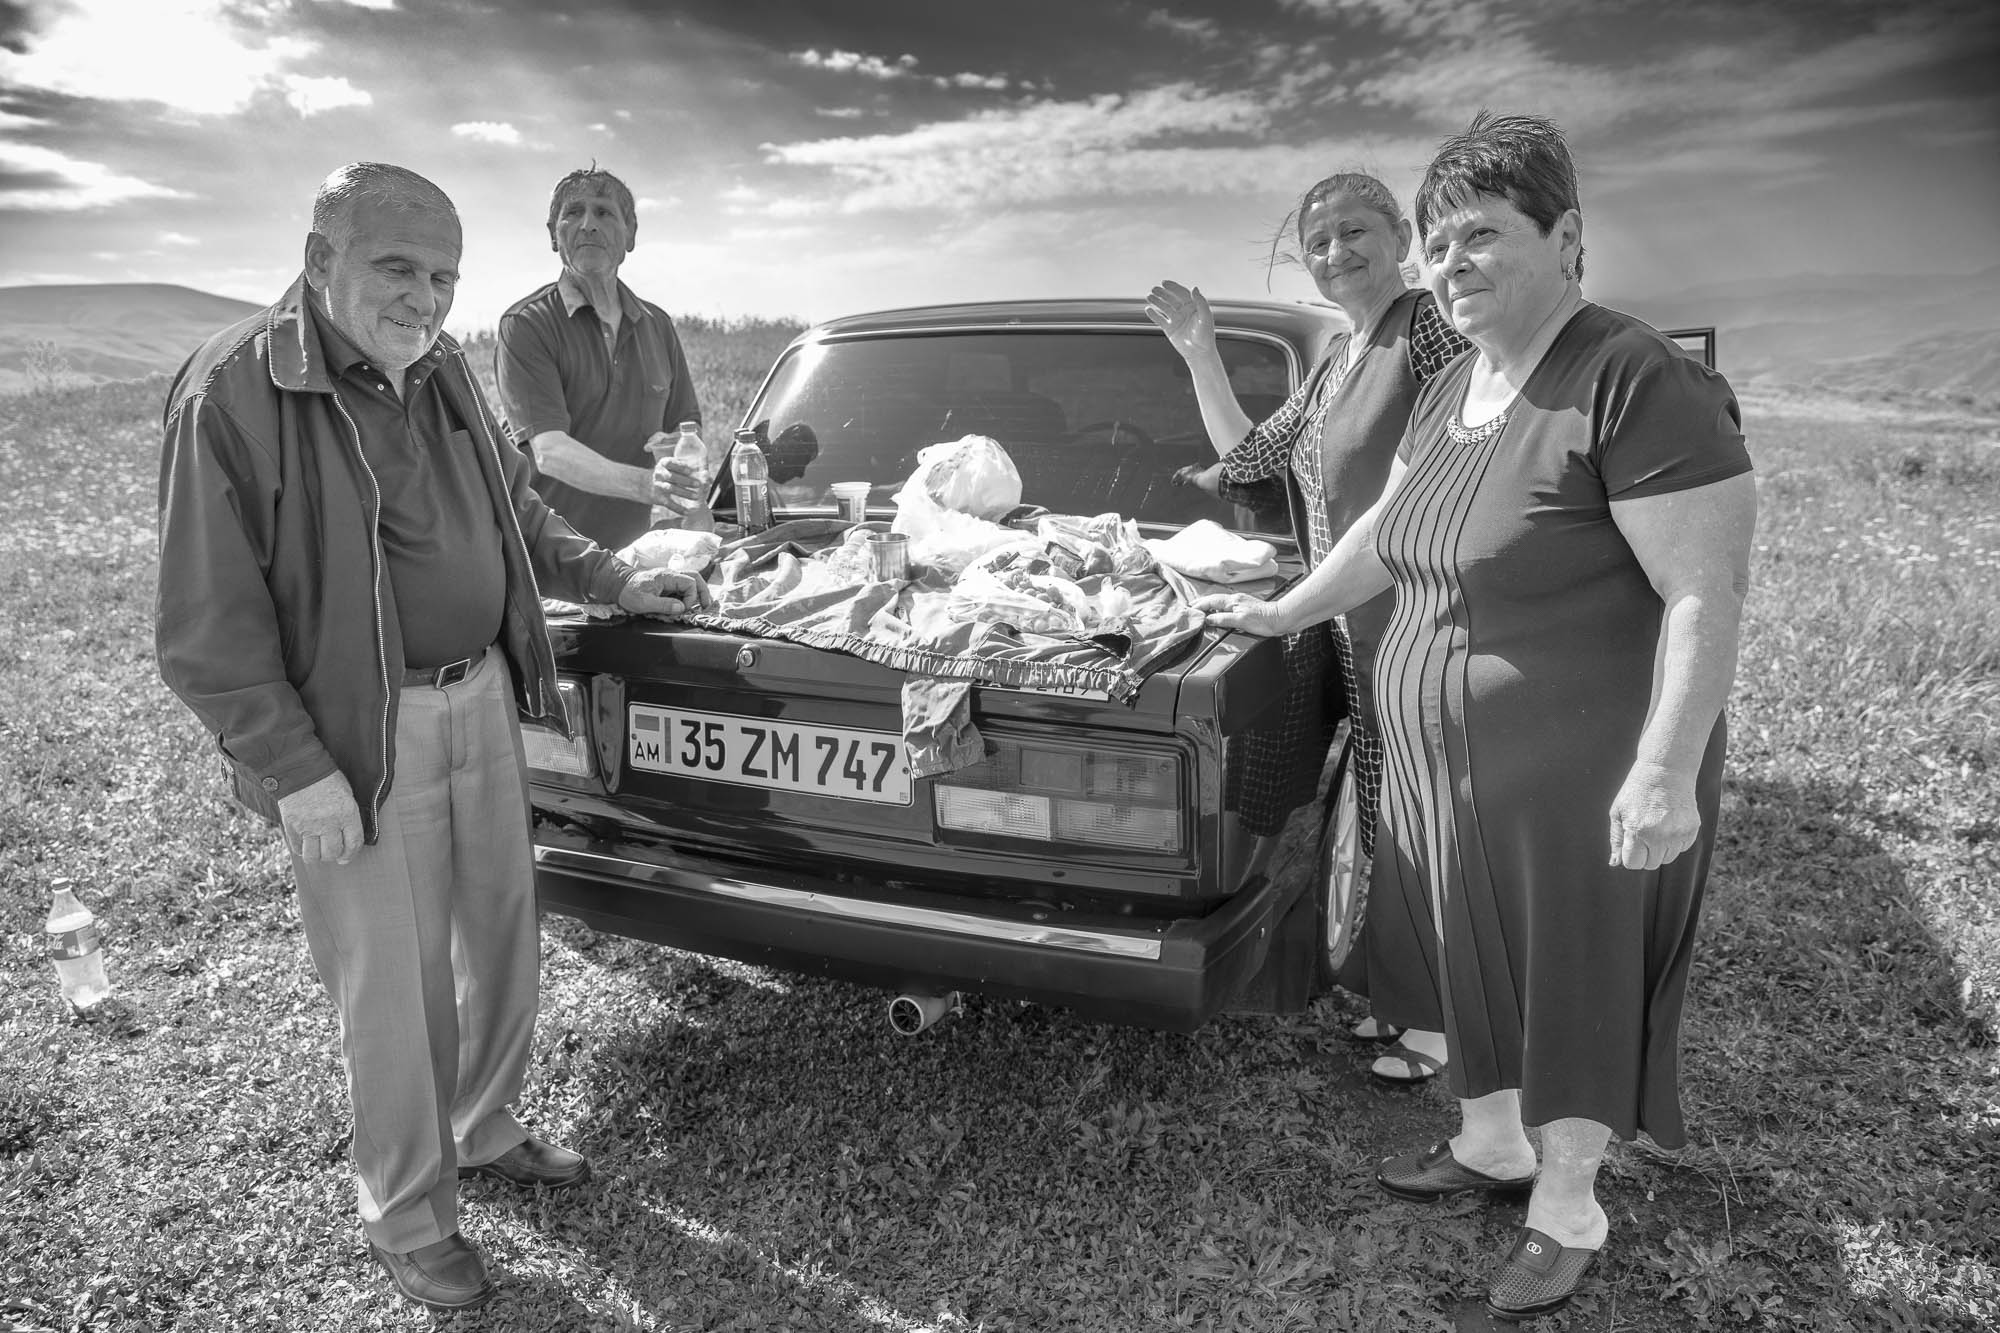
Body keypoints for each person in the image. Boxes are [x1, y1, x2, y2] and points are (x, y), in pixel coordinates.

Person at [1199, 112, 1755, 1320]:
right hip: (1445, 762)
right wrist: (1280, 612)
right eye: (1440, 243)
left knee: (1566, 974)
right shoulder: (1458, 380)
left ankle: (1568, 1204)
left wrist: (1662, 768)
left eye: (1480, 237)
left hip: (1579, 768)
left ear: (1566, 238)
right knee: (1464, 951)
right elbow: (1377, 535)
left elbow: (1704, 591)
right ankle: (1491, 1144)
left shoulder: (1630, 376)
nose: (1451, 266)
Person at [155, 162, 712, 1315]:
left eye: (443, 274)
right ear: (319, 261)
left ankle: (484, 1124)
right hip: (361, 730)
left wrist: (610, 575)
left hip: (477, 695)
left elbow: (515, 496)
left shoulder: (441, 361)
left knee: (500, 929)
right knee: (391, 985)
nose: (423, 297)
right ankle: (409, 1212)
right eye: (396, 268)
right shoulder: (236, 391)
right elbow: (206, 627)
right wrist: (297, 768)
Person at [1145, 170, 1469, 1084]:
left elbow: (1477, 446)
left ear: (1402, 233)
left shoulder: (1431, 327)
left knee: (1428, 822)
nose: (1336, 253)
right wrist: (1201, 350)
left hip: (1426, 622)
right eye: (1318, 241)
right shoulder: (1337, 361)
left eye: (1356, 230)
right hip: (1355, 629)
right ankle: (1399, 997)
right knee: (1381, 818)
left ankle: (1440, 1024)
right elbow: (1248, 455)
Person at [496, 166, 707, 551]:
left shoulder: (657, 325)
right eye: (573, 213)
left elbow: (687, 432)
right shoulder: (527, 324)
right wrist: (648, 485)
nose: (588, 225)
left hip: (637, 554)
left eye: (604, 212)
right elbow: (551, 453)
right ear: (553, 235)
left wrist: (694, 515)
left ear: (630, 234)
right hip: (546, 555)